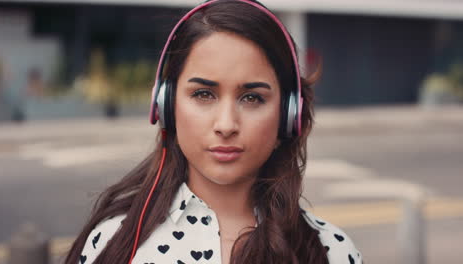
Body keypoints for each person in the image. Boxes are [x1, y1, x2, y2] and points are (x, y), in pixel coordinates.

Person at [65, 0, 363, 263]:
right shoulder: (111, 244)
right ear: (167, 105)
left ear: (288, 116)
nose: (226, 125)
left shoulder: (331, 252)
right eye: (204, 94)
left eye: (252, 98)